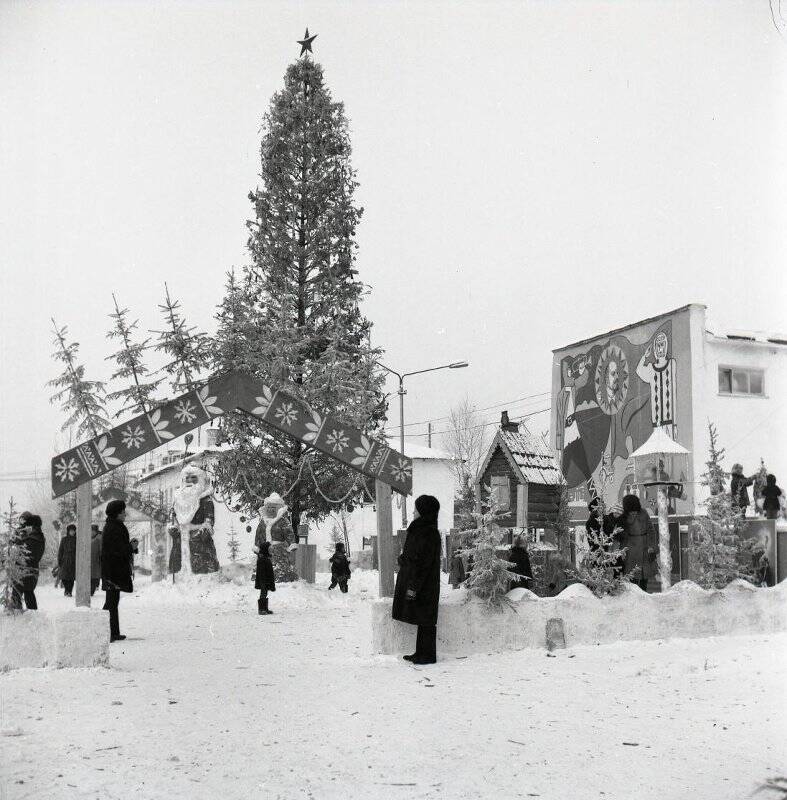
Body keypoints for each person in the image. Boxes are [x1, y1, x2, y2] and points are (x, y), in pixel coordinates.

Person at [391, 495, 442, 665]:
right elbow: (414, 556)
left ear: (424, 511)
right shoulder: (423, 529)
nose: (413, 512)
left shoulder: (428, 532)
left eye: (416, 509)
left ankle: (428, 655)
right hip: (420, 581)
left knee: (426, 619)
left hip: (423, 583)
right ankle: (421, 652)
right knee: (423, 618)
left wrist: (413, 587)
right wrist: (404, 559)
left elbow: (422, 563)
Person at [101, 500, 134, 642]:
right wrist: (131, 546)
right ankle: (104, 631)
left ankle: (113, 632)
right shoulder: (114, 528)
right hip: (113, 570)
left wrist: (131, 547)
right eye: (123, 512)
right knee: (111, 602)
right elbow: (119, 550)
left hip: (112, 570)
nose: (125, 514)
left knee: (113, 602)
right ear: (117, 513)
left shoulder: (113, 526)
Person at [616, 494, 658, 591]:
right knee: (641, 575)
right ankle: (641, 596)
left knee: (634, 575)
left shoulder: (624, 515)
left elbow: (621, 534)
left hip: (631, 548)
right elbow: (651, 530)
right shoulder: (642, 512)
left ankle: (638, 597)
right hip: (642, 546)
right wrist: (652, 546)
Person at [12, 513, 46, 610]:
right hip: (30, 570)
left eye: (27, 525)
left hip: (26, 570)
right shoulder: (38, 537)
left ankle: (17, 614)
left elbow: (26, 552)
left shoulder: (33, 539)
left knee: (17, 593)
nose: (25, 527)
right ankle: (32, 614)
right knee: (28, 593)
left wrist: (18, 540)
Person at [252, 537, 275, 615]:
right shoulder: (262, 559)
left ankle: (265, 608)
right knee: (263, 593)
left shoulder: (266, 558)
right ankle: (261, 609)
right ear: (266, 549)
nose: (270, 550)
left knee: (265, 593)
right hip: (263, 580)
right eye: (269, 548)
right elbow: (261, 573)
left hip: (266, 580)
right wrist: (263, 582)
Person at [58, 524, 77, 597]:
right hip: (65, 559)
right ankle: (67, 590)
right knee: (64, 577)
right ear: (68, 531)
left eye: (74, 531)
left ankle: (69, 591)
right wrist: (59, 560)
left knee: (71, 578)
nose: (72, 532)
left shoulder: (76, 539)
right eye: (71, 531)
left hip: (73, 560)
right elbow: (60, 550)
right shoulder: (64, 539)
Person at [90, 523, 102, 596]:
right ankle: (91, 590)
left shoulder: (99, 538)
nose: (92, 532)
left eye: (93, 531)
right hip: (90, 560)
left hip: (96, 560)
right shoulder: (90, 538)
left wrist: (100, 558)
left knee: (94, 576)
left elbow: (101, 549)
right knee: (91, 576)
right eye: (91, 531)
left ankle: (92, 590)